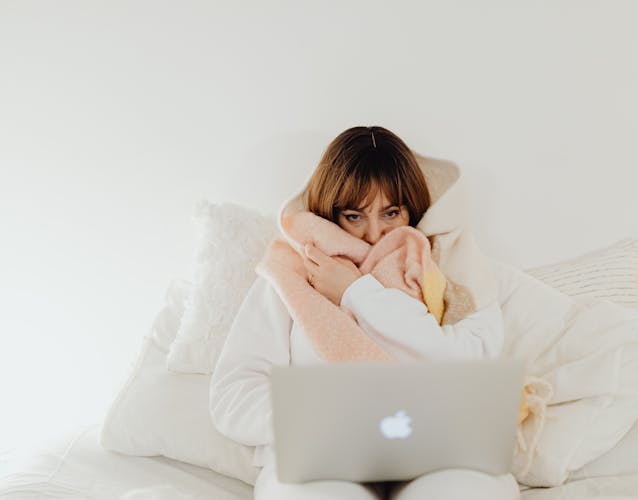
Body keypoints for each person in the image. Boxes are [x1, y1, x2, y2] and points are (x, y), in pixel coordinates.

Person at [208, 126, 520, 500]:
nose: (374, 234)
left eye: (391, 212)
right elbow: (232, 394)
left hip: (440, 456)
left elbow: (469, 363)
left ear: (412, 208)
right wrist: (323, 422)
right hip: (321, 459)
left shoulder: (449, 262)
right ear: (330, 212)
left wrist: (357, 293)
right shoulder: (293, 269)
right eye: (354, 216)